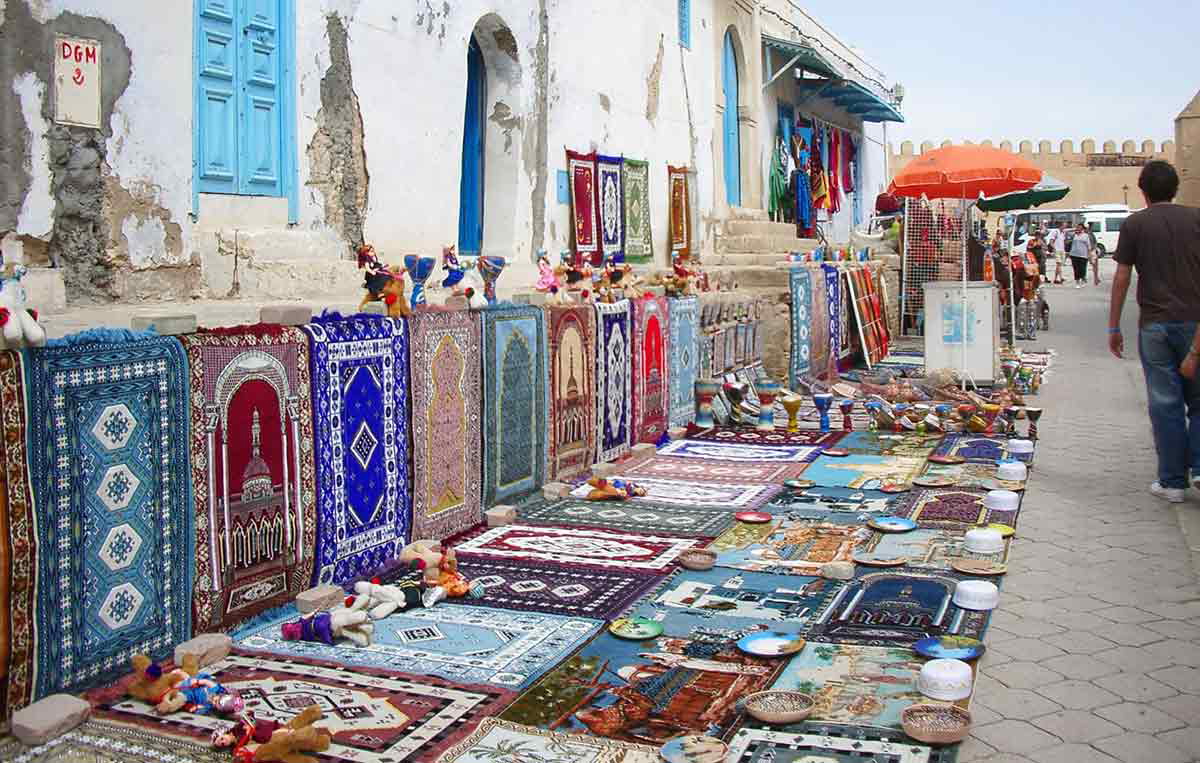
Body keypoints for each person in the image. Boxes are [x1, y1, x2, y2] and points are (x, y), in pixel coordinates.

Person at [1108, 160, 1200, 503]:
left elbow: (1121, 278)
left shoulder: (1135, 224)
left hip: (1155, 325)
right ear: (1175, 188)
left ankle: (1174, 482)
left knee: (1165, 404)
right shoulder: (1197, 218)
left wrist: (1113, 325)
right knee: (1199, 401)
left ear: (1143, 191)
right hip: (1194, 325)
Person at [1068, 223, 1091, 287]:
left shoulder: (1086, 235)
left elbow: (1088, 246)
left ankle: (1083, 279)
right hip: (1074, 254)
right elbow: (1066, 233)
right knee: (1076, 269)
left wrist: (1089, 255)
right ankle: (1077, 282)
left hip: (1083, 255)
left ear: (1083, 228)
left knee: (1082, 269)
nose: (1078, 228)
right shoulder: (1074, 235)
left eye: (1080, 227)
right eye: (1078, 227)